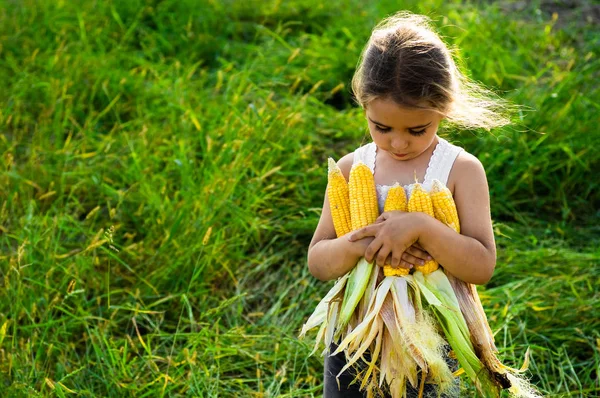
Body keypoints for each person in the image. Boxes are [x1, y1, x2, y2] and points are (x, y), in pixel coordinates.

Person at [306, 10, 513, 398]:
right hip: (355, 335)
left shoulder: (460, 170)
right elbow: (318, 260)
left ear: (443, 109)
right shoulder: (354, 168)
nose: (398, 143)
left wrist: (421, 227)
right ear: (363, 106)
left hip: (431, 339)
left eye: (417, 130)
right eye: (381, 127)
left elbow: (481, 265)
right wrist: (366, 242)